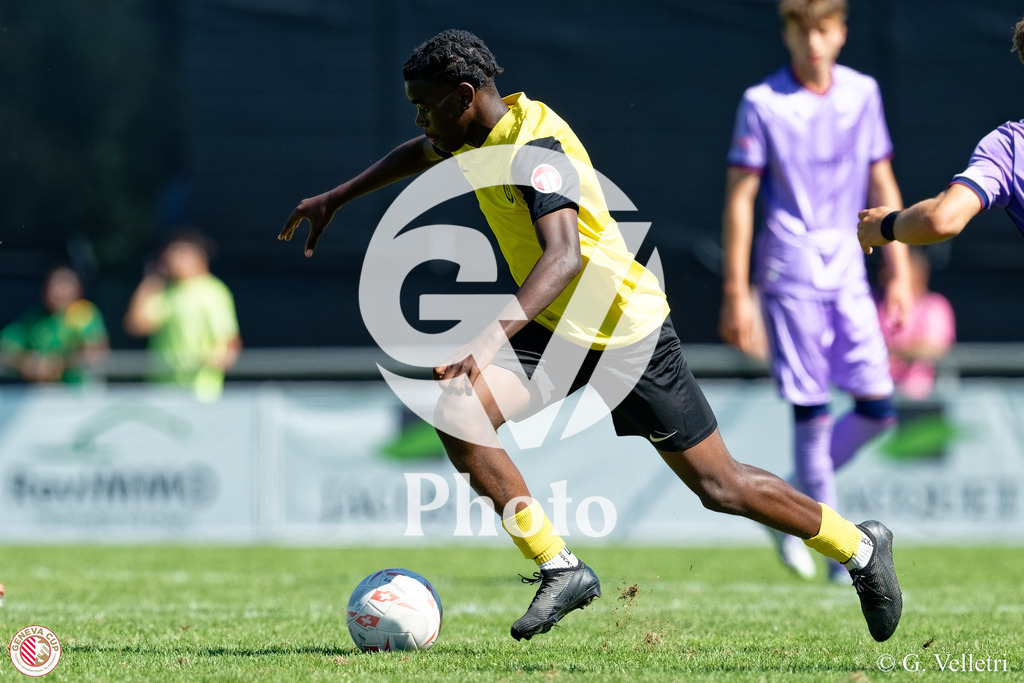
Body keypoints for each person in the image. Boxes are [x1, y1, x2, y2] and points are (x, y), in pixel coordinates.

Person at [281, 29, 902, 643]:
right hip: (556, 329)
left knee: (721, 486)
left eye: (424, 105)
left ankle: (859, 548)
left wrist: (489, 338)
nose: (419, 118)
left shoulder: (537, 147)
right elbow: (421, 152)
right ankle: (559, 566)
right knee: (460, 414)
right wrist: (337, 197)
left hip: (623, 333)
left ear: (463, 94)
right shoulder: (468, 133)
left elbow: (563, 258)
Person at [719, 0, 912, 583]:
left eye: (824, 29)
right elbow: (741, 198)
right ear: (786, 34)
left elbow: (882, 179)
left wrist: (899, 269)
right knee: (813, 410)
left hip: (851, 266)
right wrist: (737, 289)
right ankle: (841, 559)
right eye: (802, 31)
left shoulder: (863, 93)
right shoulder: (763, 103)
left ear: (842, 33)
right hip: (790, 270)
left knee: (878, 408)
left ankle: (782, 506)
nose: (814, 42)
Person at [858, 16, 1024, 252]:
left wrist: (887, 224)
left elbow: (941, 220)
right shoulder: (1008, 149)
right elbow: (940, 221)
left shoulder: (1009, 148)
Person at [124, 228, 241, 401]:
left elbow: (229, 343)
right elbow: (137, 325)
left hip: (200, 393)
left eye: (179, 254)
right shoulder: (165, 293)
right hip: (160, 390)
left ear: (198, 256)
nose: (172, 260)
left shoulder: (213, 292)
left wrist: (210, 363)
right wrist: (151, 279)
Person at [0, 265, 109, 384]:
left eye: (64, 286)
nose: (56, 291)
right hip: (41, 395)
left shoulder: (84, 314)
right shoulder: (33, 319)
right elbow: (6, 347)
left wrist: (58, 364)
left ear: (78, 290)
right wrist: (25, 362)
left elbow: (96, 350)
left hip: (78, 393)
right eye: (53, 285)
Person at [876, 249, 956, 401]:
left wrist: (892, 353)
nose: (884, 275)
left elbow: (934, 348)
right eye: (885, 268)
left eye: (891, 269)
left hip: (919, 400)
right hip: (875, 394)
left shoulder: (936, 306)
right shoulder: (872, 302)